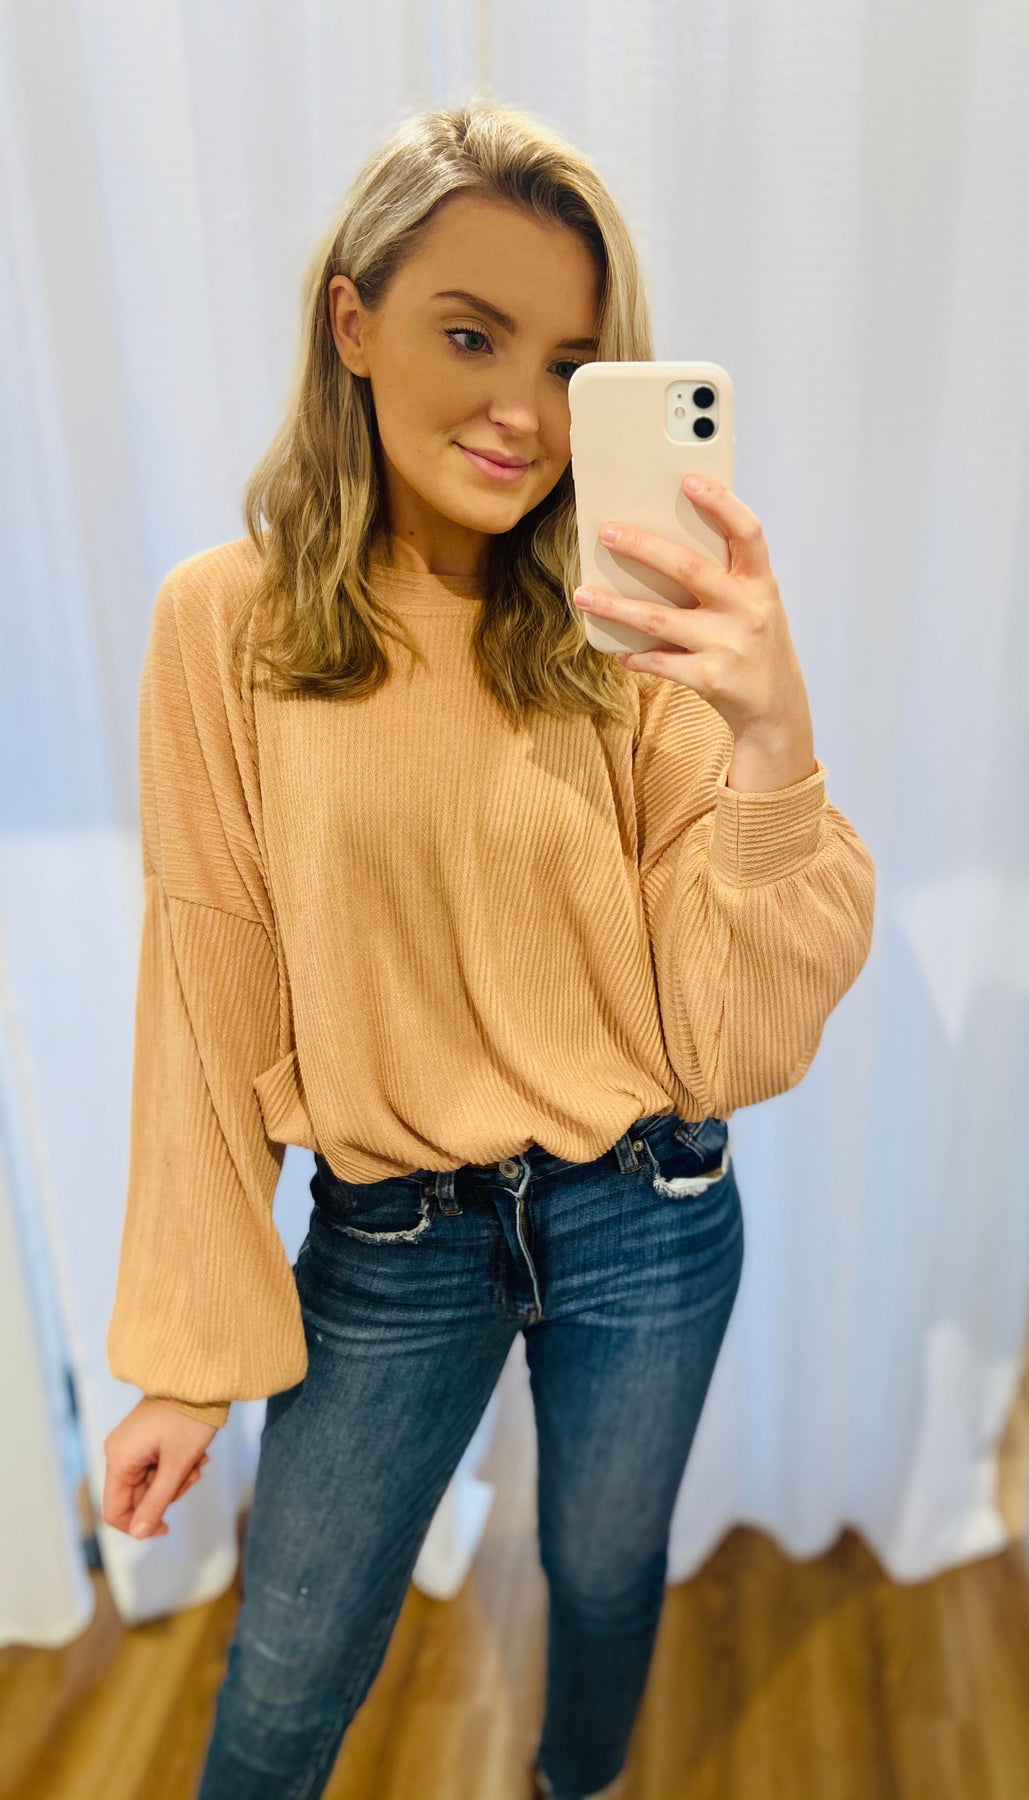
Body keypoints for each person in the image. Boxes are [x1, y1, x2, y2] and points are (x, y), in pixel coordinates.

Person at [102, 96, 875, 1800]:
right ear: (353, 321)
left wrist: (770, 734)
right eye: (472, 334)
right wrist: (184, 1368)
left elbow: (731, 1040)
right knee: (289, 1662)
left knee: (601, 1576)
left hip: (647, 1209)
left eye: (572, 364)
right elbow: (204, 990)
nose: (524, 410)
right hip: (390, 1241)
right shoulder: (221, 625)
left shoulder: (629, 629)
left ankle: (574, 1785)